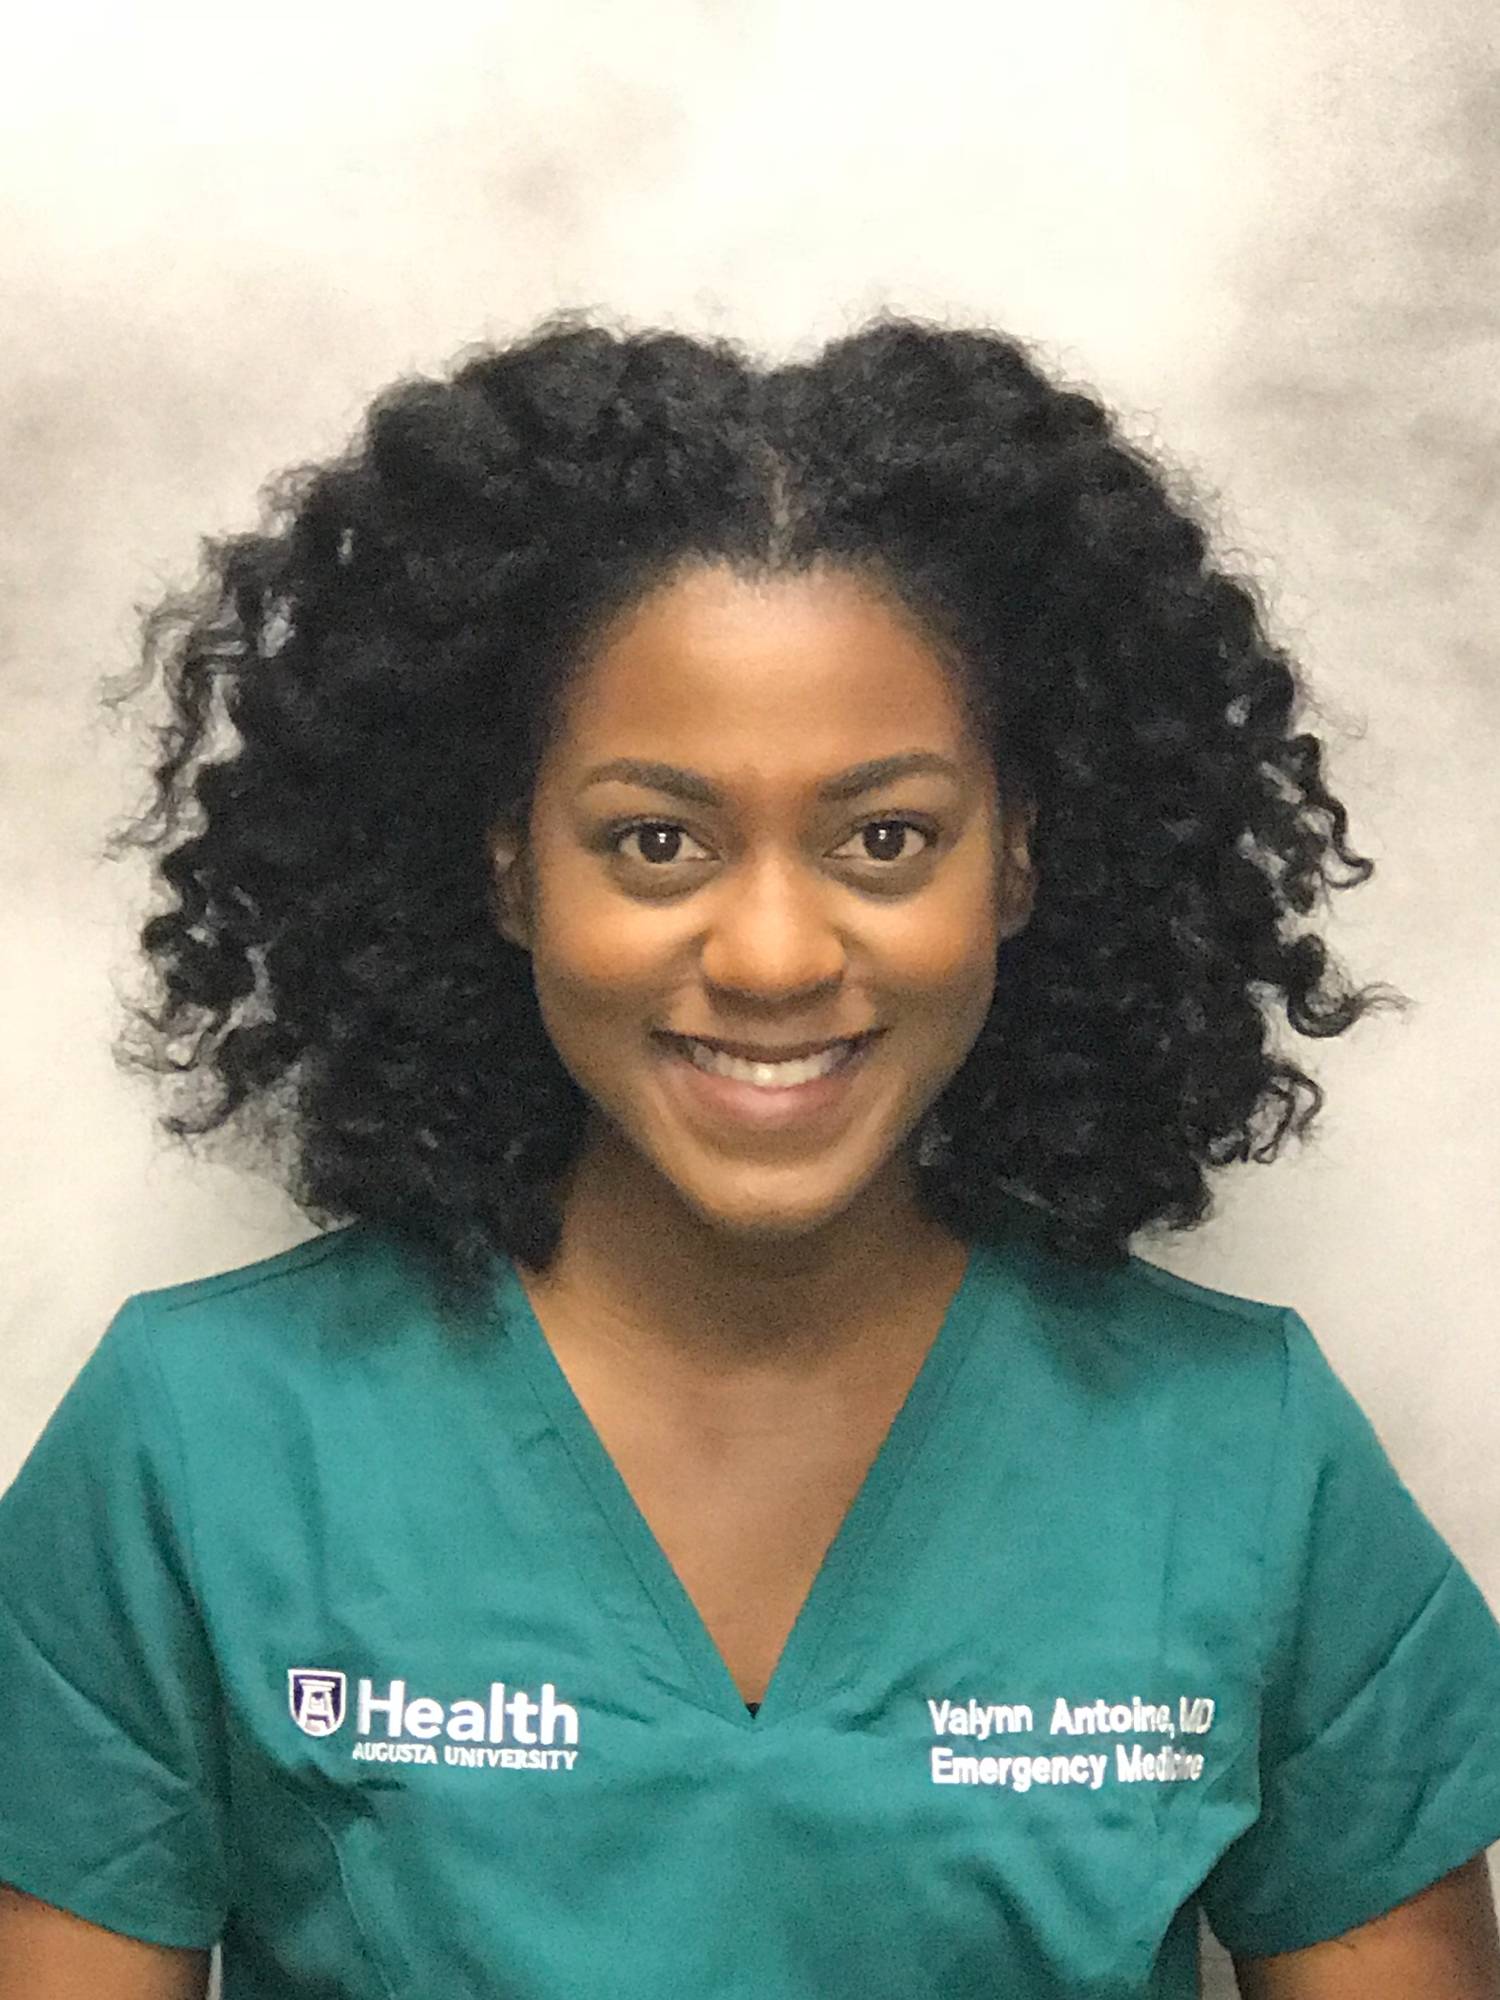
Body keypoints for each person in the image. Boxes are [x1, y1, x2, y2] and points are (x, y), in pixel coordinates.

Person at [1, 309, 1498, 2000]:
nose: (775, 954)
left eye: (886, 837)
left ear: (1018, 862)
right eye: (657, 841)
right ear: (507, 870)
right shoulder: (198, 1445)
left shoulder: (1247, 1458)